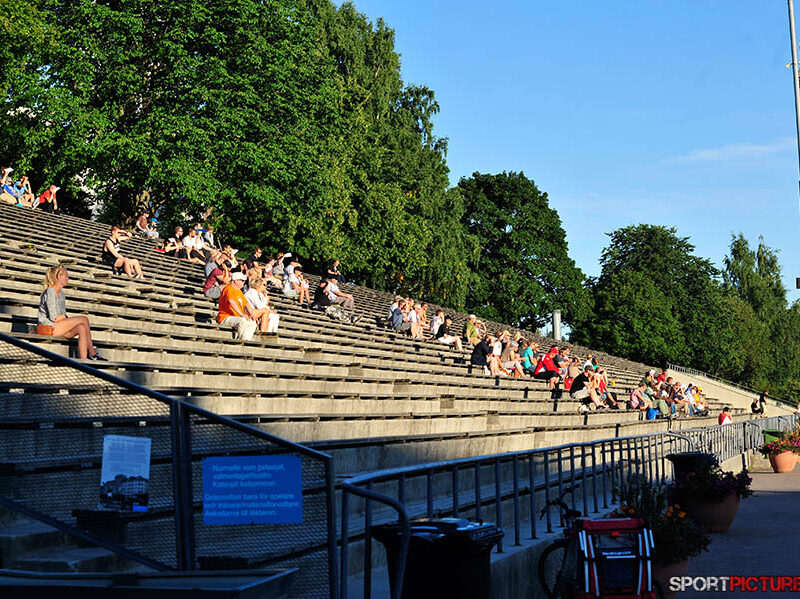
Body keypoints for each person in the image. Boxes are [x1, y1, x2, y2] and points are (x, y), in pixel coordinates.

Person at [38, 265, 102, 360]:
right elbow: (53, 317)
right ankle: (92, 353)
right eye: (66, 276)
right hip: (48, 327)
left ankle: (84, 360)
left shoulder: (61, 294)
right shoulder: (50, 292)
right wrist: (63, 318)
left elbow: (62, 315)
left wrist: (63, 318)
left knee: (81, 327)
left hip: (58, 326)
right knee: (84, 319)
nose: (68, 279)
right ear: (59, 277)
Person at [217, 272, 258, 340]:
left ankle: (246, 340)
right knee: (243, 320)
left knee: (253, 322)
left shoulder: (239, 291)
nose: (244, 282)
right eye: (242, 280)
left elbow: (247, 304)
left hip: (236, 317)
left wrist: (252, 315)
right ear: (235, 281)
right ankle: (242, 340)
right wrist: (242, 314)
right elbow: (231, 302)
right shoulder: (228, 288)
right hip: (225, 317)